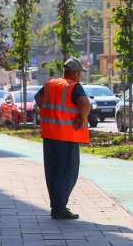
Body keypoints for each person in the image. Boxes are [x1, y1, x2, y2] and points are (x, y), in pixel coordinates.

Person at [34, 58, 91, 220]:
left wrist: (47, 111)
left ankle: (56, 206)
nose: (80, 75)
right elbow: (85, 103)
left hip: (49, 135)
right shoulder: (73, 86)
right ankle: (59, 208)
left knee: (53, 172)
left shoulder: (51, 84)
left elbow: (38, 98)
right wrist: (82, 118)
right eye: (79, 72)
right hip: (67, 136)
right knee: (67, 172)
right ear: (75, 72)